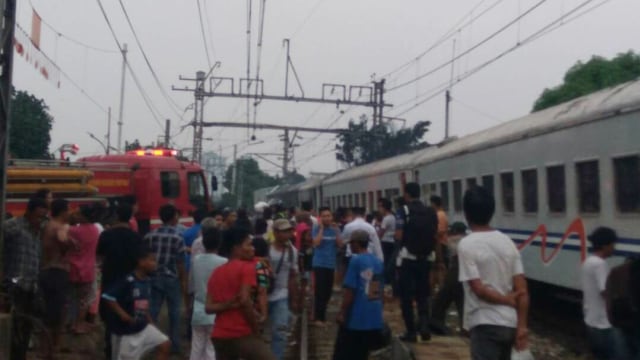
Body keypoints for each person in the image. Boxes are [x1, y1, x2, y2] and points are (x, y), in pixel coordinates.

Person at [458, 186, 529, 360]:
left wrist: (505, 299)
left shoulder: (466, 245)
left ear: (466, 214)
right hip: (509, 324)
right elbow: (523, 291)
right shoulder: (508, 242)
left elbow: (479, 289)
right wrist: (522, 327)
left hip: (485, 324)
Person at [206, 227, 276, 360]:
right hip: (241, 333)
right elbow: (245, 300)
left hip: (219, 336)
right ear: (236, 248)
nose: (253, 248)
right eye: (248, 245)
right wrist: (256, 330)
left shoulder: (216, 272)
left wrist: (228, 304)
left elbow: (208, 308)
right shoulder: (247, 268)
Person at [101, 246, 171, 360]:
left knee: (165, 344)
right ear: (141, 262)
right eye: (152, 260)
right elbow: (108, 297)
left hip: (142, 326)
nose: (155, 264)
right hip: (126, 331)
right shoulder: (128, 280)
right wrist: (123, 315)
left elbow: (144, 304)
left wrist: (150, 322)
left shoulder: (147, 281)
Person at [2, 197, 49, 360]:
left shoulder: (38, 232)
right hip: (14, 285)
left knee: (26, 328)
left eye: (43, 217)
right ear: (29, 212)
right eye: (38, 216)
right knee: (14, 327)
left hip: (31, 287)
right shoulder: (13, 226)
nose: (41, 220)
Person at [97, 202, 143, 359]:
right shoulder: (136, 237)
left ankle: (110, 352)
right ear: (130, 217)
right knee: (129, 318)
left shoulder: (106, 235)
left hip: (110, 282)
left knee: (110, 320)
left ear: (116, 215)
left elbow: (100, 257)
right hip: (130, 284)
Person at [394, 183, 438, 342]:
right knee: (423, 294)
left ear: (406, 195)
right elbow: (435, 234)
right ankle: (425, 326)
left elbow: (398, 235)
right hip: (425, 259)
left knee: (406, 297)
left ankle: (411, 332)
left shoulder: (403, 211)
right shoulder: (431, 211)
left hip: (408, 259)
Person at [332, 230, 384, 360]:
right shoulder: (378, 262)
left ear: (356, 243)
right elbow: (378, 290)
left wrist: (342, 312)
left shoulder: (355, 261)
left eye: (351, 243)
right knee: (363, 354)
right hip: (374, 317)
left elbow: (350, 291)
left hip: (357, 317)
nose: (349, 246)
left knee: (347, 353)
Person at [144, 204, 188, 354]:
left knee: (152, 312)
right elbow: (180, 262)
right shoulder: (178, 237)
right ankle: (174, 346)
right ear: (174, 217)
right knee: (174, 313)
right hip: (172, 278)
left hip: (153, 278)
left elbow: (144, 259)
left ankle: (151, 345)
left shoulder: (150, 235)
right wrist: (183, 281)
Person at [582, 227, 628, 359]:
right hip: (604, 324)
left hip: (591, 320)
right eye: (612, 244)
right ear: (605, 245)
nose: (614, 248)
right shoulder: (600, 265)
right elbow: (606, 292)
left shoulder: (588, 262)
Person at [40, 199, 75, 355]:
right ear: (63, 212)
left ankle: (48, 348)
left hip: (47, 271)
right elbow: (62, 239)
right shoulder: (59, 227)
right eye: (69, 210)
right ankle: (53, 348)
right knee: (57, 314)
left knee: (48, 312)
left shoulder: (47, 225)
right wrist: (71, 242)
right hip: (57, 272)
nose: (70, 213)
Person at [190, 226, 227, 360]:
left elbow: (191, 286)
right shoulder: (224, 262)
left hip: (198, 309)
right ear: (219, 243)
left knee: (196, 348)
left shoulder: (196, 260)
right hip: (216, 311)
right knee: (211, 349)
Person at [268, 219, 300, 359]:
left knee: (280, 332)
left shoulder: (292, 251)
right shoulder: (266, 249)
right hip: (262, 295)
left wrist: (294, 299)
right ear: (275, 232)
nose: (288, 234)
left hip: (281, 295)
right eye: (284, 231)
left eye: (289, 231)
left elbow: (292, 276)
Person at [68, 205, 100, 334]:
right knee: (84, 300)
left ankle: (70, 324)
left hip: (72, 268)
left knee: (72, 299)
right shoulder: (95, 229)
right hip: (88, 270)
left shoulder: (74, 230)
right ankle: (79, 325)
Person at [429, 222, 467, 335]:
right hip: (465, 276)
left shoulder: (454, 240)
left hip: (454, 274)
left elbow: (440, 242)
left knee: (440, 302)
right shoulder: (467, 239)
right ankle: (465, 329)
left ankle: (437, 324)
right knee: (461, 303)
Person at [312, 207, 344, 326]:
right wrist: (321, 229)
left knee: (327, 291)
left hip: (330, 264)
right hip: (319, 263)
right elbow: (316, 243)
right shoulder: (316, 229)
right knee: (320, 291)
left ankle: (322, 316)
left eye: (328, 215)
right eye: (324, 216)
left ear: (332, 217)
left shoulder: (335, 229)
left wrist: (336, 231)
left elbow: (340, 245)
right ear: (320, 218)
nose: (327, 218)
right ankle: (318, 318)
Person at [430, 195, 448, 292]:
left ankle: (441, 289)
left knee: (439, 267)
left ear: (434, 203)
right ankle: (436, 289)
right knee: (435, 268)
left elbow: (439, 232)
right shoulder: (441, 214)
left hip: (439, 245)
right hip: (439, 244)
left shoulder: (439, 215)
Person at [377, 198, 396, 284]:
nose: (379, 209)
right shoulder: (393, 217)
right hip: (392, 242)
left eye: (380, 207)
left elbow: (381, 233)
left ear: (384, 208)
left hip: (385, 243)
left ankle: (385, 281)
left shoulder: (386, 218)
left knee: (385, 262)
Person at [184, 208, 207, 273]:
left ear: (193, 218)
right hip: (204, 264)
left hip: (189, 264)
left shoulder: (186, 233)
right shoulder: (208, 231)